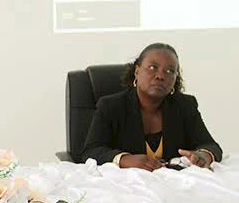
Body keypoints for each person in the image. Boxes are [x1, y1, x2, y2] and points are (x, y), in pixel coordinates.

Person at [82, 43, 222, 170]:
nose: (160, 76)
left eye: (169, 71)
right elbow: (91, 151)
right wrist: (125, 159)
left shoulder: (185, 105)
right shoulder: (111, 106)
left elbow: (210, 145)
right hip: (127, 186)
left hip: (173, 185)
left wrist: (203, 156)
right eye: (152, 67)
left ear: (175, 78)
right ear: (137, 71)